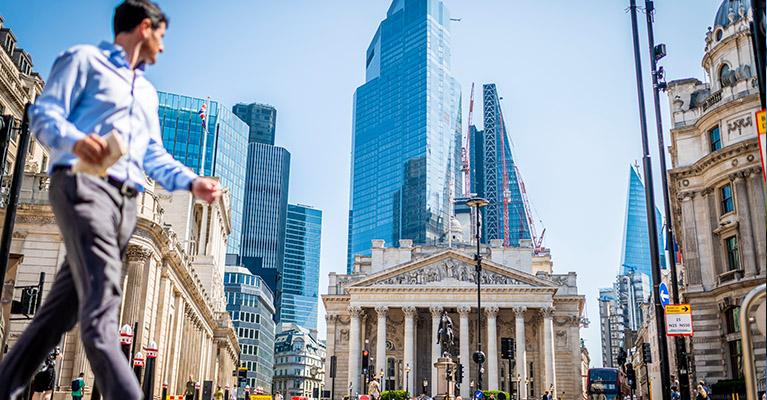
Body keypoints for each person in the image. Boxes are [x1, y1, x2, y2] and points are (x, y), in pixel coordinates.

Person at [0, 1, 223, 398]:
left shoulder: (147, 94)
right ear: (143, 27)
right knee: (103, 313)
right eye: (162, 35)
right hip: (86, 187)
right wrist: (76, 140)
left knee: (57, 315)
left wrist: (192, 183)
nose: (164, 47)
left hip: (126, 205)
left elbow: (152, 154)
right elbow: (44, 115)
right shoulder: (83, 61)